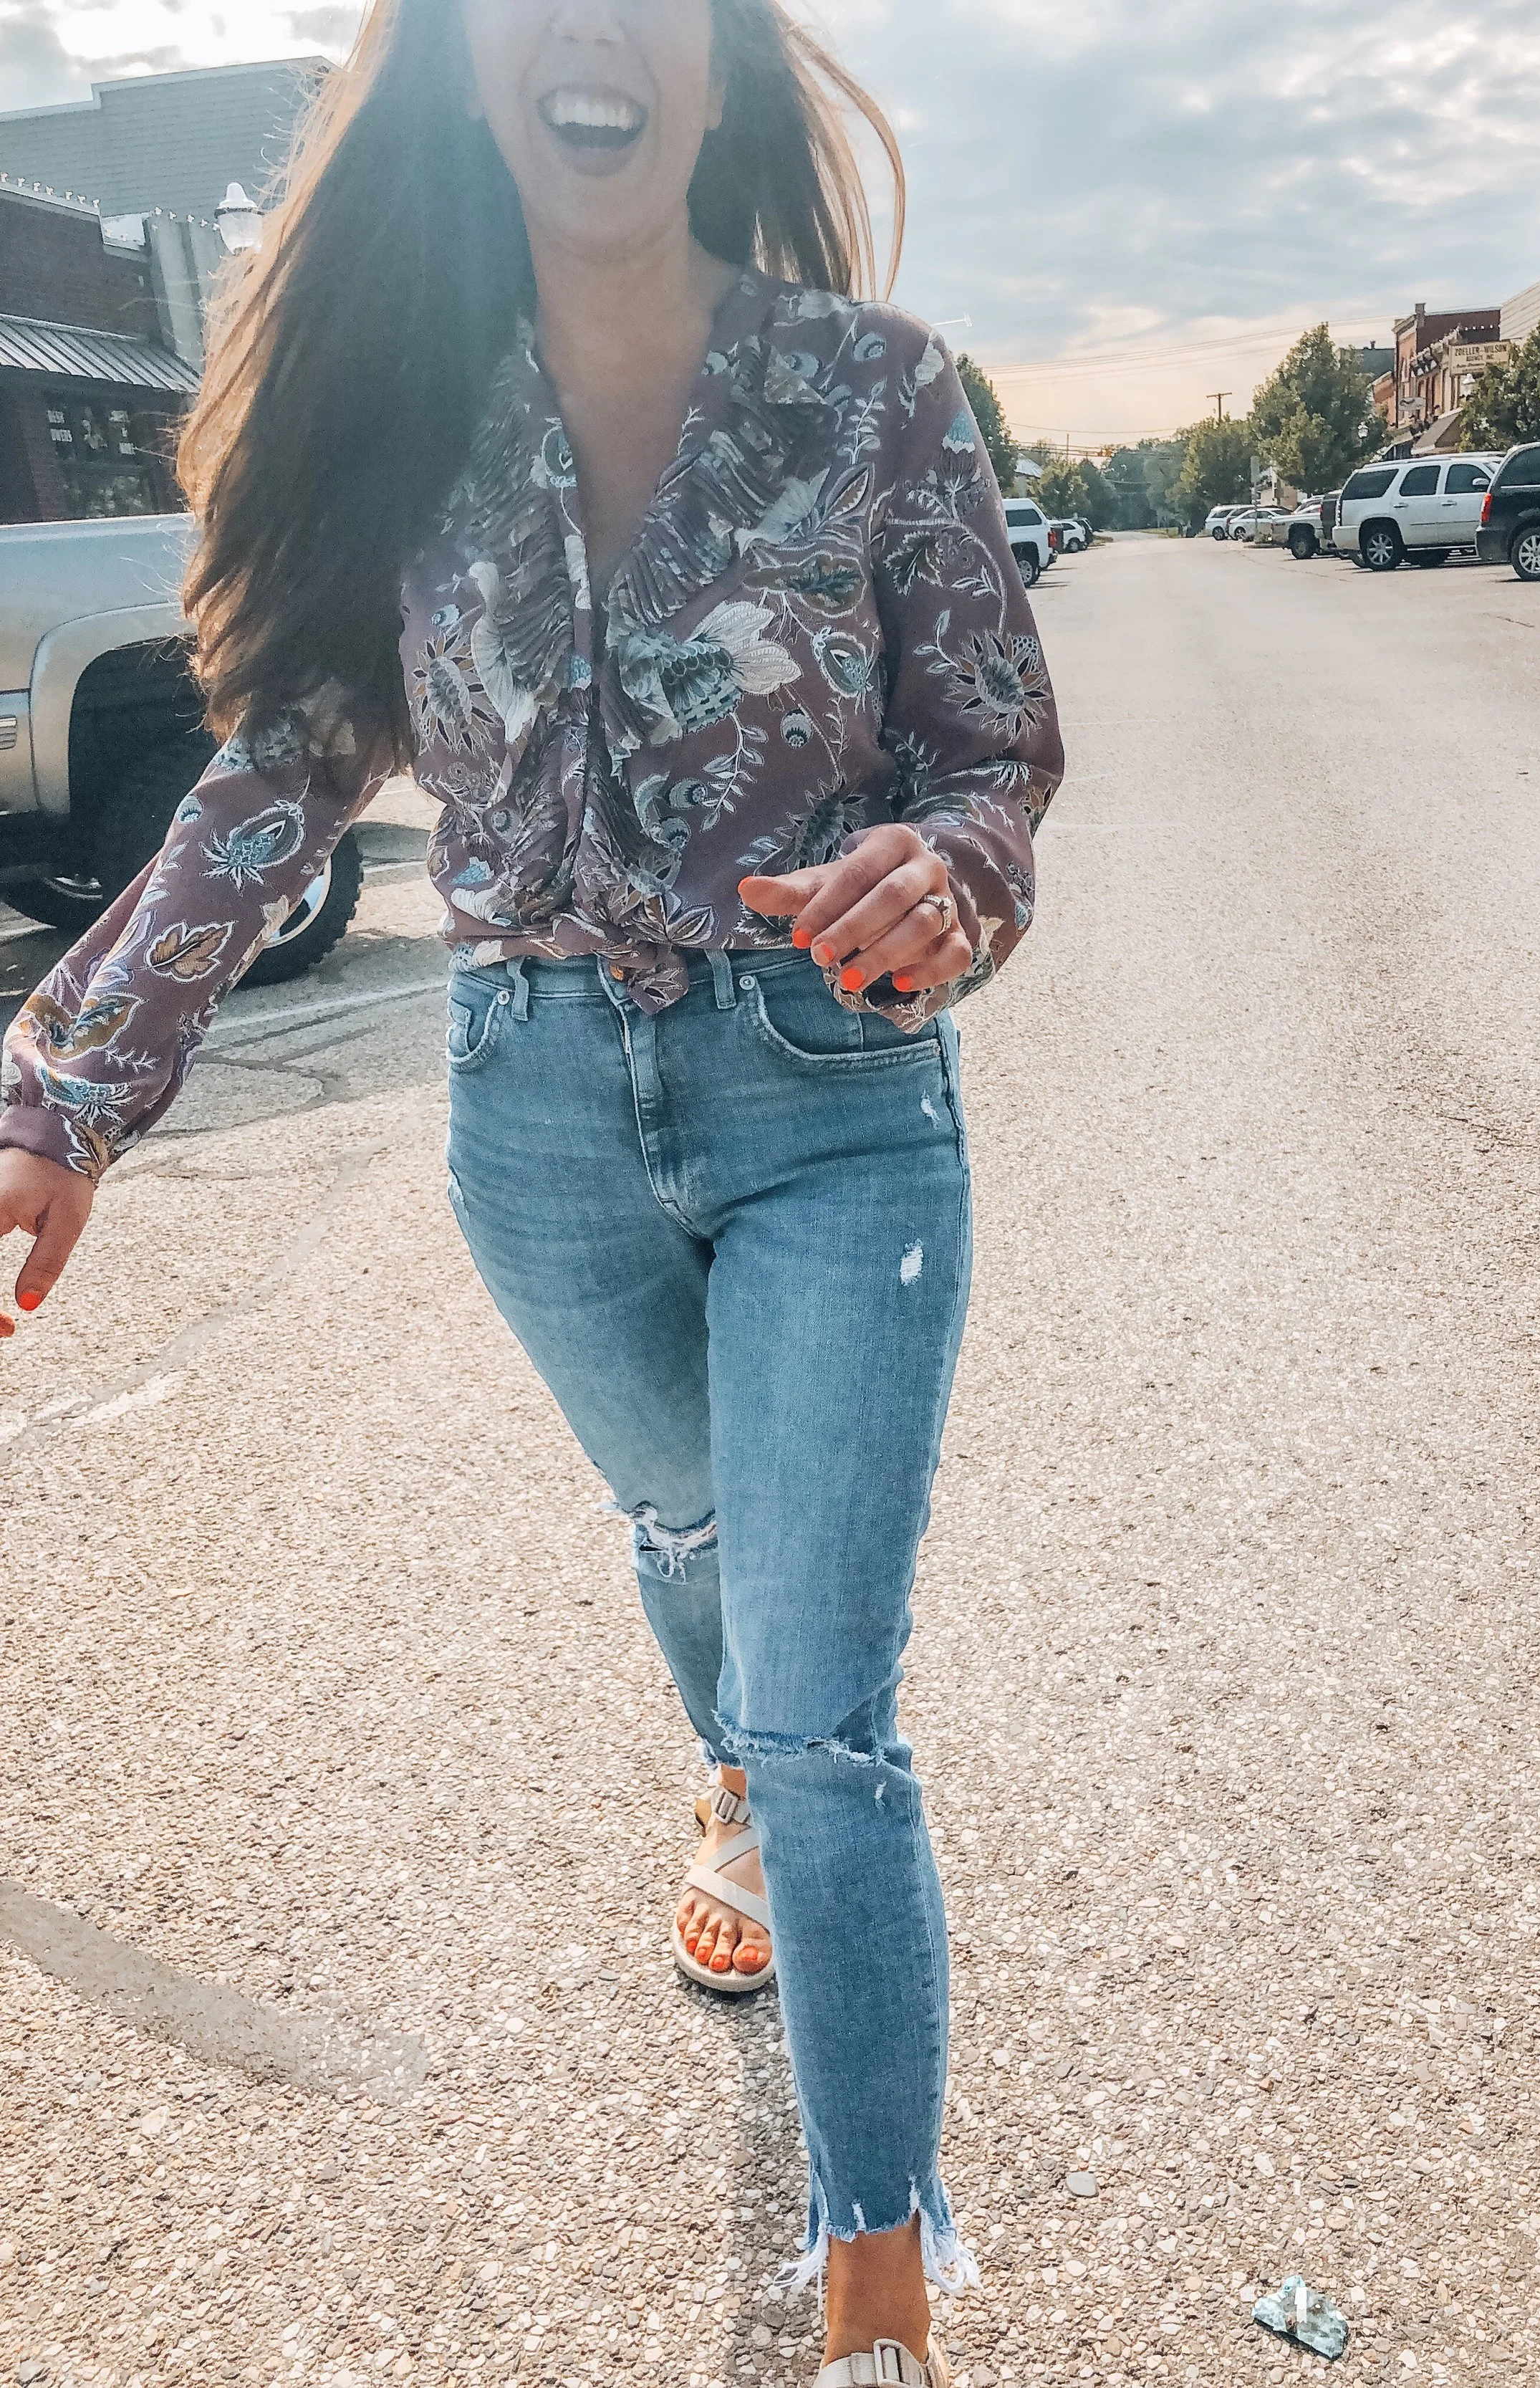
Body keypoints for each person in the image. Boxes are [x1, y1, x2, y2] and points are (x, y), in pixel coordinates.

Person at [0, 1, 1062, 2377]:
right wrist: (64, 1091)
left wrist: (955, 871)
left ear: (713, 64)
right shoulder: (408, 421)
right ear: (467, 75)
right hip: (537, 1121)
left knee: (824, 1710)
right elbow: (275, 778)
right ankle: (726, 1793)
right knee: (690, 1546)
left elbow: (998, 754)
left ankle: (876, 2275)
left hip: (831, 1102)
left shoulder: (878, 392)